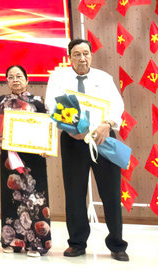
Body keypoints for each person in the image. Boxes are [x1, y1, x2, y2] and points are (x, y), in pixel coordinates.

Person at [45, 39, 128, 261]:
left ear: (91, 55)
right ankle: (77, 243)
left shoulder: (104, 78)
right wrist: (71, 130)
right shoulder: (58, 77)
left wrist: (107, 124)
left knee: (111, 193)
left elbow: (117, 105)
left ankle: (117, 245)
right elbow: (51, 105)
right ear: (69, 57)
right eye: (77, 54)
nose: (82, 58)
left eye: (86, 53)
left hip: (102, 138)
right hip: (73, 140)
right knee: (74, 193)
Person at [0, 65, 51, 257]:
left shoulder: (38, 102)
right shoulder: (1, 101)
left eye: (19, 76)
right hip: (10, 157)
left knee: (35, 198)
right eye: (11, 77)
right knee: (12, 197)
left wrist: (47, 147)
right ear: (6, 81)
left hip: (33, 157)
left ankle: (38, 244)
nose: (15, 80)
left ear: (27, 80)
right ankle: (13, 241)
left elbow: (48, 127)